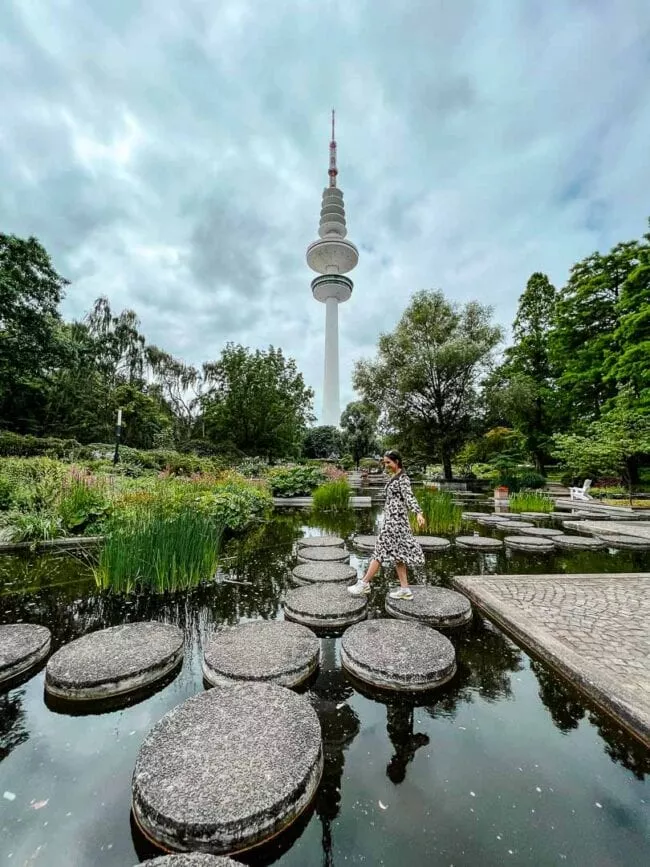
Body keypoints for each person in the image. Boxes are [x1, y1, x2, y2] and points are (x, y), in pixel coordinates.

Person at [348, 449, 425, 600]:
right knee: (398, 556)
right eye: (384, 462)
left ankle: (364, 584)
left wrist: (418, 512)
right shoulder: (395, 476)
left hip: (395, 523)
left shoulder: (403, 478)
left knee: (379, 551)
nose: (386, 465)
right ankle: (405, 589)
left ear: (397, 462)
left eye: (388, 462)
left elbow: (409, 497)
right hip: (393, 521)